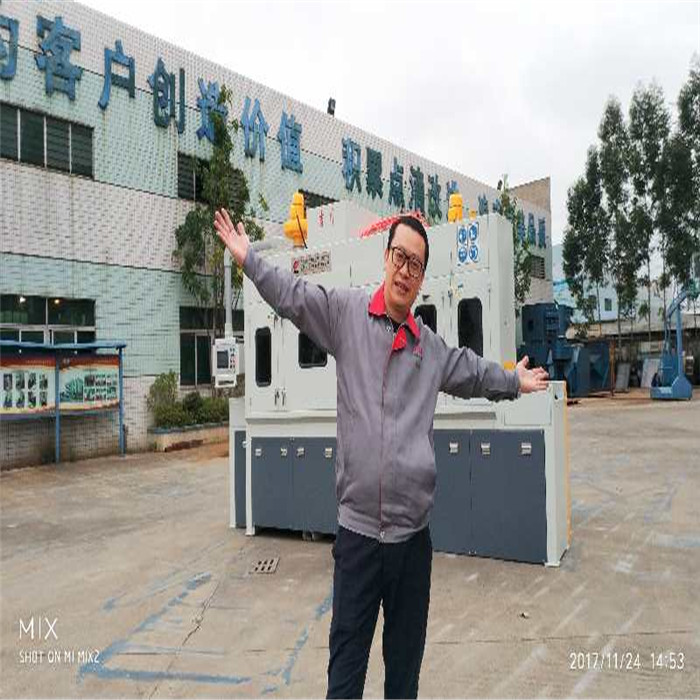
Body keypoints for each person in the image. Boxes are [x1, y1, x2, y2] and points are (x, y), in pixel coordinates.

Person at [213, 209, 549, 699]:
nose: (405, 270)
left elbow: (474, 372)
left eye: (416, 264)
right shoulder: (345, 315)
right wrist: (249, 260)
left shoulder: (428, 349)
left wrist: (513, 381)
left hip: (412, 545)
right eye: (399, 257)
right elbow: (293, 297)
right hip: (358, 539)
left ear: (421, 277)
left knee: (403, 677)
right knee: (345, 675)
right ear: (385, 258)